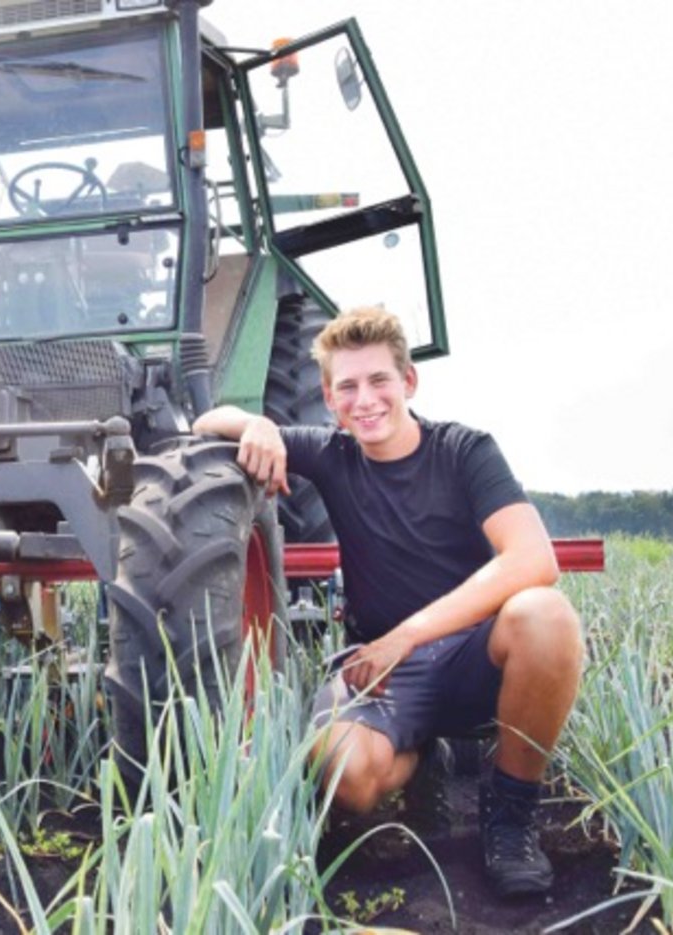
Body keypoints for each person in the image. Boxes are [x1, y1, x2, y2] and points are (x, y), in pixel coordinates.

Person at [192, 306, 583, 897]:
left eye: (379, 380)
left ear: (409, 382)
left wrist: (408, 635)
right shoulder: (332, 455)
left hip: (475, 654)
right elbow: (204, 423)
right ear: (328, 396)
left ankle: (510, 814)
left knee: (545, 615)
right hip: (384, 673)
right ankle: (422, 755)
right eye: (347, 386)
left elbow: (534, 559)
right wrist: (258, 424)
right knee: (344, 775)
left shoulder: (465, 450)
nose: (365, 399)